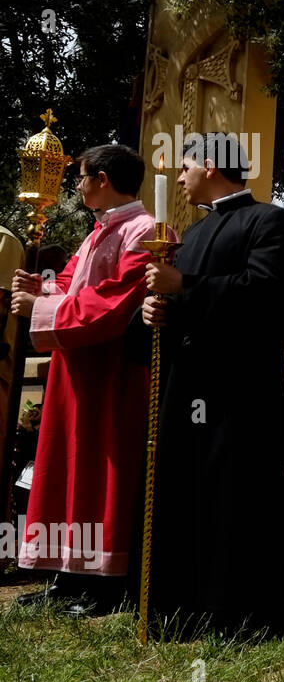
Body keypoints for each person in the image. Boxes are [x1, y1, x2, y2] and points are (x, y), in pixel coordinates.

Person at [139, 132, 284, 636]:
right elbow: (178, 306)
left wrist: (183, 287)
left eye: (185, 166)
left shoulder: (269, 220)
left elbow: (261, 294)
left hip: (240, 391)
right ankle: (182, 606)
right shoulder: (190, 235)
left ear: (211, 164)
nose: (179, 178)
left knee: (235, 499)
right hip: (188, 387)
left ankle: (240, 613)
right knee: (185, 492)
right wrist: (154, 311)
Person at [13, 144, 164, 616]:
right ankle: (67, 574)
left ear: (101, 179)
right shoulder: (102, 230)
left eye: (80, 178)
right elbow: (75, 284)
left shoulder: (144, 232)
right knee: (67, 470)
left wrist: (38, 309)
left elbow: (114, 304)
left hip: (110, 373)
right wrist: (41, 288)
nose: (76, 186)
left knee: (99, 474)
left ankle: (105, 585)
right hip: (75, 367)